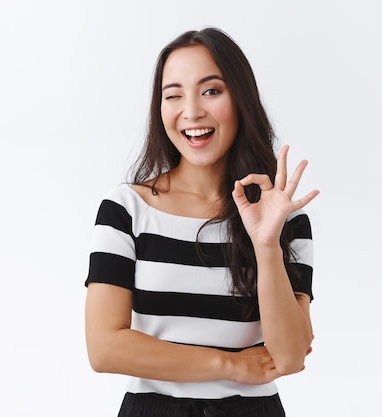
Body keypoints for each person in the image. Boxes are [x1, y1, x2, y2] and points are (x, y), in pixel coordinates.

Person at [84, 27, 319, 417]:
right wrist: (229, 364)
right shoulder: (126, 209)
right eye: (173, 95)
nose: (191, 111)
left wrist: (265, 245)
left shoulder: (283, 218)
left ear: (240, 99)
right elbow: (104, 347)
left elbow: (291, 355)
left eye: (211, 90)